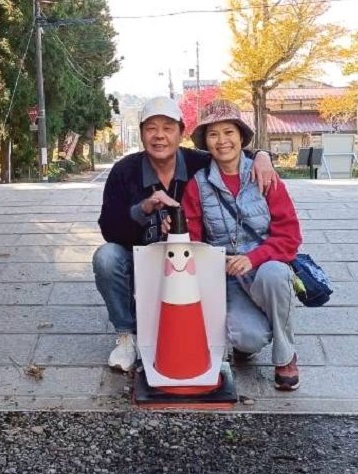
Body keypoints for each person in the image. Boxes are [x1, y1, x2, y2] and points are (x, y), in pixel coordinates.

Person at [93, 95, 277, 372]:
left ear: (181, 133)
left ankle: (224, 330)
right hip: (143, 264)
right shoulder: (124, 171)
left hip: (194, 266)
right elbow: (109, 228)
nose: (159, 136)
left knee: (244, 334)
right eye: (151, 128)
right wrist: (143, 209)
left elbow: (234, 153)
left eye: (168, 128)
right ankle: (126, 335)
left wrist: (264, 156)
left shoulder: (198, 163)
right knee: (106, 257)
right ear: (142, 134)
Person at [181, 100, 301, 391]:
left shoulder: (265, 175)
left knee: (275, 274)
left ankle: (286, 356)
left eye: (229, 132)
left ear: (241, 136)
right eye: (213, 134)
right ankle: (252, 333)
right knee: (248, 338)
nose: (222, 141)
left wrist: (254, 257)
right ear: (205, 141)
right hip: (226, 277)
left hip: (263, 269)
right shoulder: (197, 184)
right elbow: (192, 242)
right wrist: (217, 262)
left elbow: (290, 236)